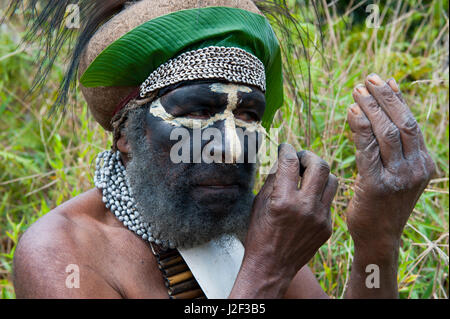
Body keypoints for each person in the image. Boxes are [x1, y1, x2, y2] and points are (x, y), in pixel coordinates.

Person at [8, 0, 435, 299]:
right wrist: (266, 271)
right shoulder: (62, 252)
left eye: (248, 116)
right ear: (125, 135)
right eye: (197, 112)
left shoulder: (243, 231)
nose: (230, 147)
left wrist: (377, 238)